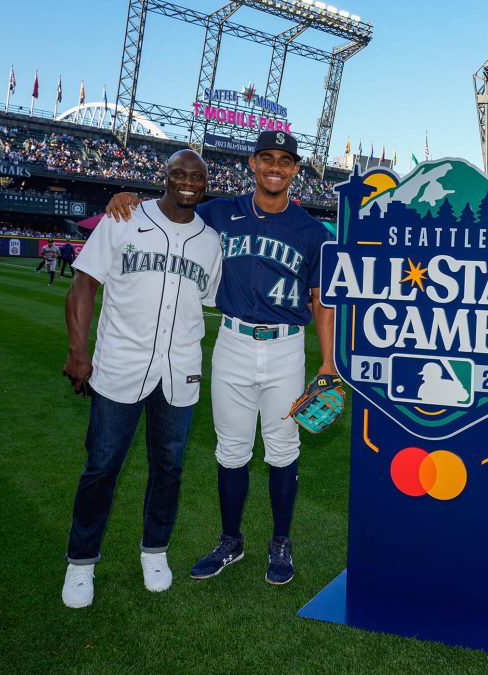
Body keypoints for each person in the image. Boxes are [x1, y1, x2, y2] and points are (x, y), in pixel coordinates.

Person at [105, 130, 335, 587]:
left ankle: (280, 542)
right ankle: (231, 540)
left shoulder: (312, 231)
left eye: (285, 161)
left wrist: (327, 364)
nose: (275, 167)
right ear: (252, 164)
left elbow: (320, 299)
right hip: (231, 342)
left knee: (283, 449)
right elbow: (172, 207)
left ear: (294, 170)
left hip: (287, 347)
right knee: (231, 450)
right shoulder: (219, 212)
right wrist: (131, 197)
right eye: (266, 158)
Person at [60, 150, 222, 609]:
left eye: (196, 176)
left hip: (179, 372)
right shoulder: (125, 216)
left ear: (205, 184)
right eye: (179, 174)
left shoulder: (211, 241)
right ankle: (81, 562)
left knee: (168, 469)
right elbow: (83, 284)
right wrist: (78, 351)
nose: (187, 182)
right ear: (164, 178)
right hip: (118, 367)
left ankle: (155, 552)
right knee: (102, 467)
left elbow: (210, 300)